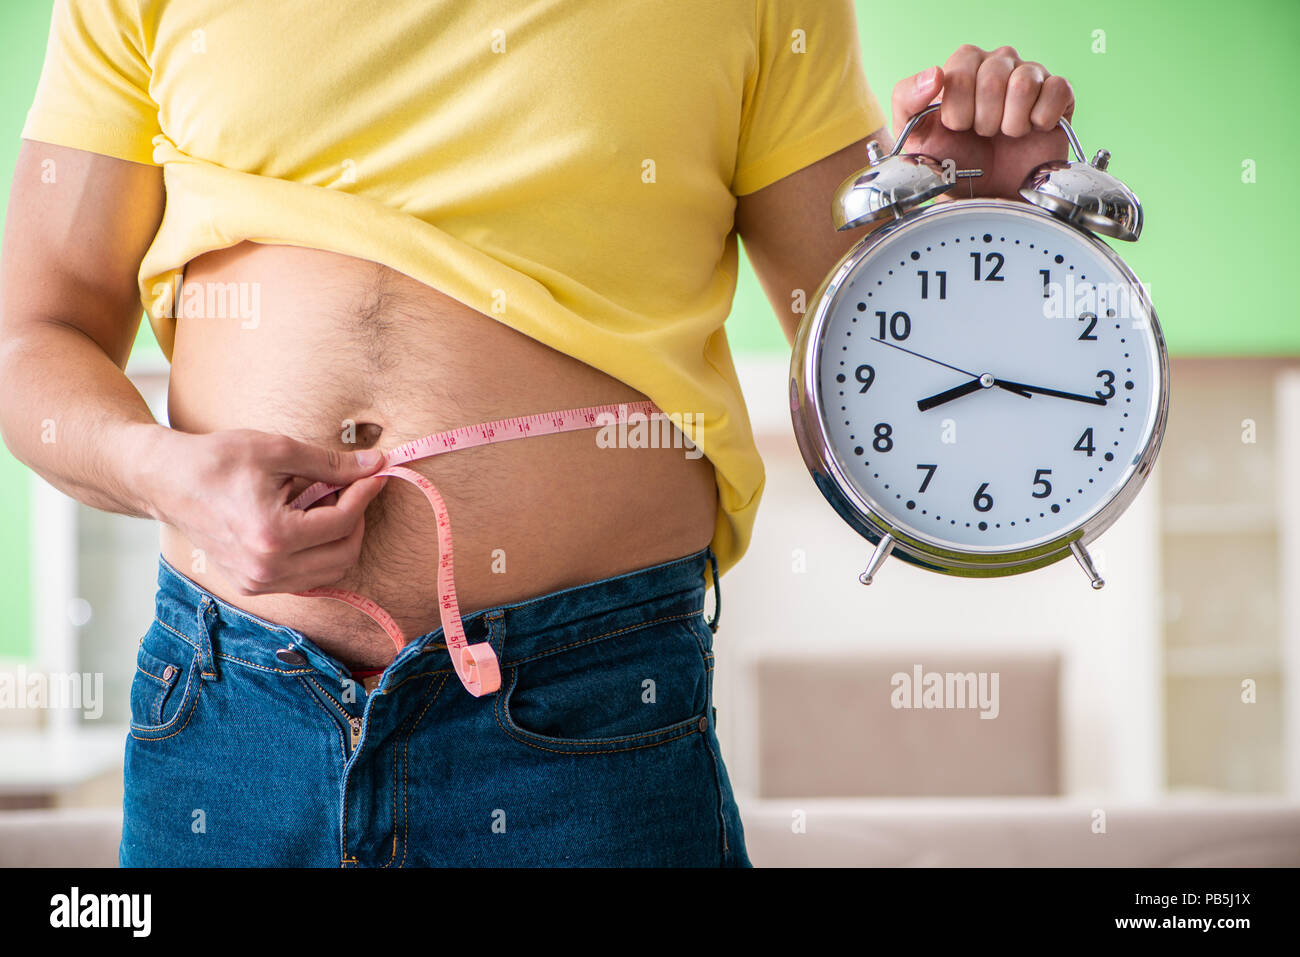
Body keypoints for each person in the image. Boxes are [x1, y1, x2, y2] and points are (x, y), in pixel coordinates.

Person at [0, 0, 1073, 867]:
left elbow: (872, 355)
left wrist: (983, 215)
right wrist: (159, 473)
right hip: (233, 712)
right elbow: (30, 342)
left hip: (592, 711)